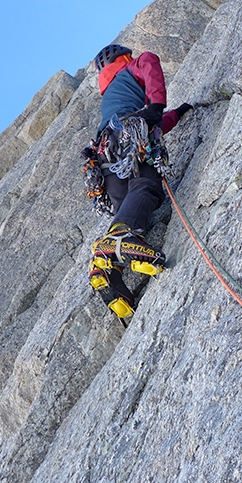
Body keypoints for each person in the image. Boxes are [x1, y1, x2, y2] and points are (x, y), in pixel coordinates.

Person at [83, 44, 193, 324]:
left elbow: (151, 124)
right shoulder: (130, 69)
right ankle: (121, 241)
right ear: (122, 57)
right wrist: (157, 104)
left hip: (104, 160)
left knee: (128, 213)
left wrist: (176, 114)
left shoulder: (112, 96)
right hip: (126, 138)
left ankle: (109, 271)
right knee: (147, 186)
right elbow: (149, 61)